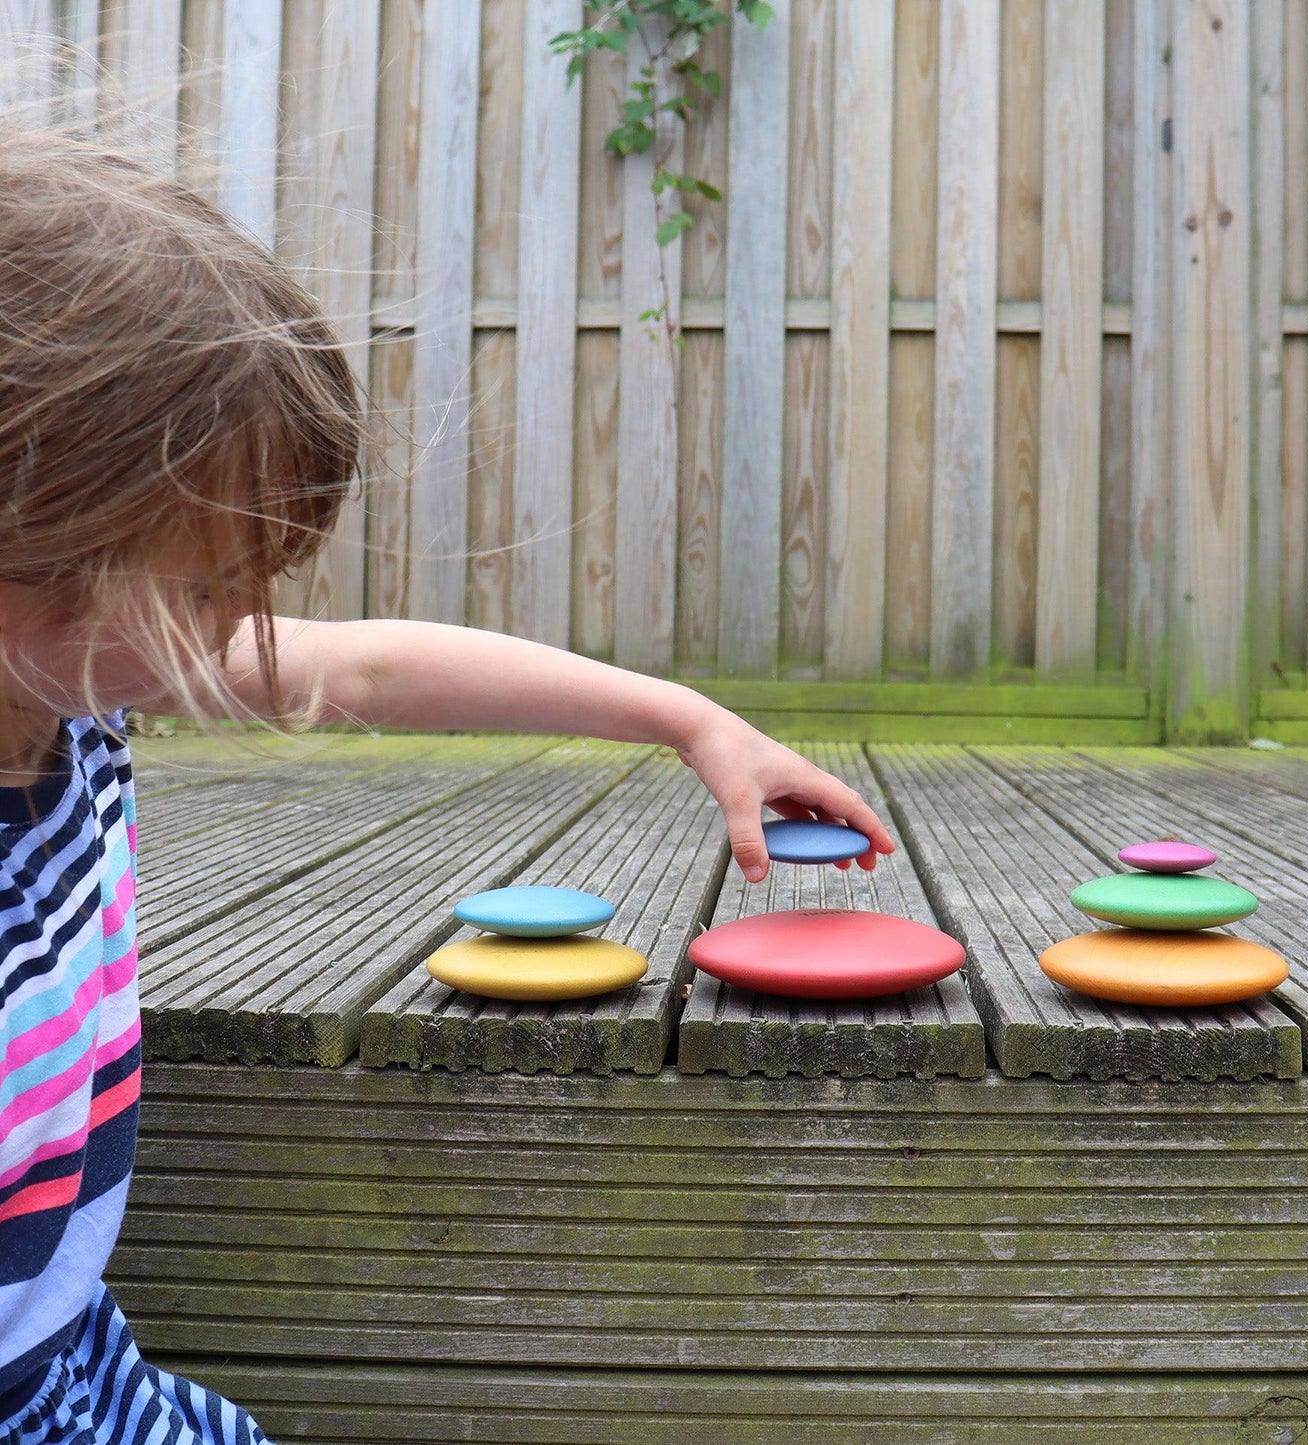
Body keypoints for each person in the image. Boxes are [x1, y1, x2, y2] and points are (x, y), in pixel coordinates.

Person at [0, 129, 892, 1443]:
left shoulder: (66, 683)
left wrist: (685, 720)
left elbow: (366, 664)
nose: (246, 625)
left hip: (86, 1368)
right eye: (204, 587)